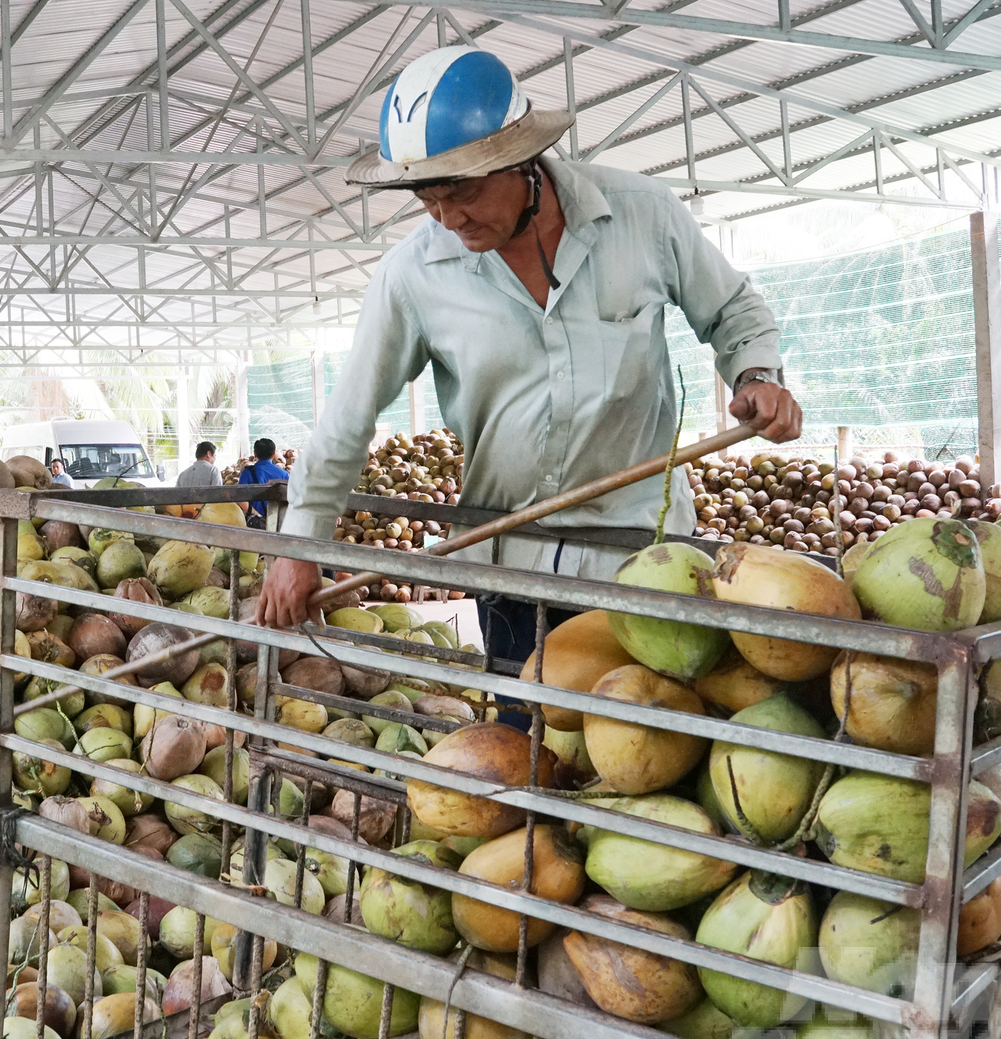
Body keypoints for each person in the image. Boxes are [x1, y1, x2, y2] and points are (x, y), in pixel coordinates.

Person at [254, 45, 803, 663]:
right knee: (525, 744)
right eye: (425, 198)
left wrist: (756, 374)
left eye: (461, 190)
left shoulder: (642, 215)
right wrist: (301, 544)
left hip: (643, 559)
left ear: (522, 160)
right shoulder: (413, 274)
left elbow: (733, 308)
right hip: (510, 567)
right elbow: (348, 419)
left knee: (644, 742)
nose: (447, 217)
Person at [237, 439, 291, 530]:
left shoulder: (247, 473)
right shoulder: (284, 474)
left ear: (255, 454)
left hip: (255, 525)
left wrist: (258, 516)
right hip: (279, 524)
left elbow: (240, 499)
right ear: (274, 454)